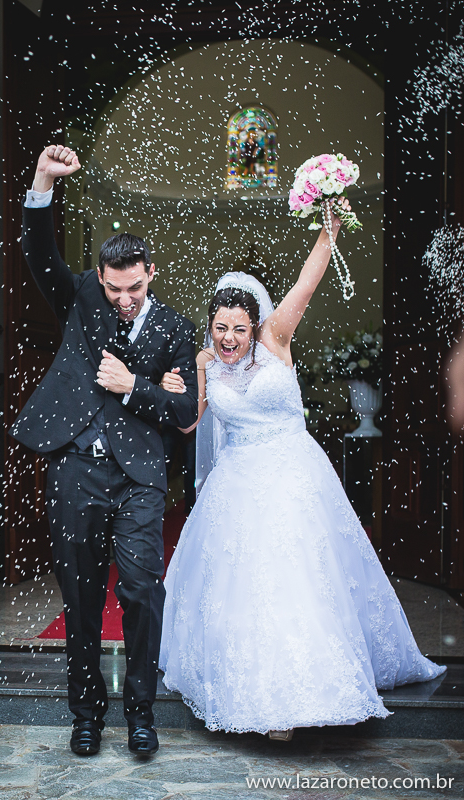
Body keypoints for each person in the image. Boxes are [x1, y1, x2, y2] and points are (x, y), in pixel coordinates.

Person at [158, 199, 446, 738]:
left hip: (292, 474)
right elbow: (190, 429)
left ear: (255, 325)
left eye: (238, 329)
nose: (228, 340)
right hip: (236, 484)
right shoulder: (205, 363)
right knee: (246, 587)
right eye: (220, 328)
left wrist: (328, 229)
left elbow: (307, 284)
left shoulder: (276, 340)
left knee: (300, 578)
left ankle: (310, 688)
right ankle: (263, 695)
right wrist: (175, 392)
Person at [10, 145, 198, 756]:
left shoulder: (175, 329)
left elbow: (182, 411)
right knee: (83, 595)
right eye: (114, 287)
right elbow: (39, 258)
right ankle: (85, 713)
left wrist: (135, 386)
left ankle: (141, 713)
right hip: (74, 467)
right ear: (100, 279)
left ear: (152, 273)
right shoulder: (82, 300)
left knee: (143, 591)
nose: (124, 298)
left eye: (134, 287)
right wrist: (42, 182)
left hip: (140, 475)